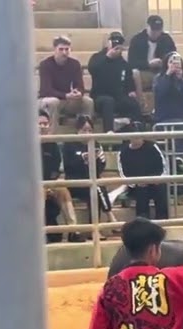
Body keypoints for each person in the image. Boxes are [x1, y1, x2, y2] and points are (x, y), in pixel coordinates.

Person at [63, 115, 115, 231]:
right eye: (84, 130)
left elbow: (101, 165)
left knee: (96, 190)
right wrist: (83, 159)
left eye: (90, 130)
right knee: (97, 187)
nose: (87, 133)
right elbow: (68, 166)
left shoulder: (95, 144)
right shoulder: (69, 144)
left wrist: (94, 160)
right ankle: (110, 216)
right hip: (75, 182)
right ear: (78, 130)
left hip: (92, 181)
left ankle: (95, 229)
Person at [89, 32, 143, 133]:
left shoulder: (123, 63)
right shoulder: (97, 57)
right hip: (99, 97)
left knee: (133, 104)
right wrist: (107, 57)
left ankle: (137, 128)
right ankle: (109, 132)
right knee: (108, 102)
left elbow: (128, 81)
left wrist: (131, 91)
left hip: (118, 97)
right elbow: (92, 69)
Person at [38, 36, 94, 131]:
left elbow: (80, 86)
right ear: (54, 49)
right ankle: (52, 135)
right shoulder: (45, 65)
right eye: (61, 49)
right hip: (47, 99)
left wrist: (78, 93)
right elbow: (46, 90)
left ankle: (85, 133)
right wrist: (66, 95)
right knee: (53, 102)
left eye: (67, 49)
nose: (64, 52)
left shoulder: (74, 64)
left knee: (88, 102)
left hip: (67, 100)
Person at [39, 110, 78, 243]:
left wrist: (52, 184)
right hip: (34, 186)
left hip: (50, 183)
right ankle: (38, 232)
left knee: (62, 189)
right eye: (40, 124)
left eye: (45, 123)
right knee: (40, 192)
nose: (43, 126)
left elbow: (57, 169)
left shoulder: (53, 144)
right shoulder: (26, 145)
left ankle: (74, 230)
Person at [118, 122, 170, 220]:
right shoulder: (123, 152)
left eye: (140, 136)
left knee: (162, 189)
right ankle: (142, 221)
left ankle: (163, 220)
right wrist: (135, 183)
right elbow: (123, 174)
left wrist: (157, 179)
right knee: (141, 192)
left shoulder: (153, 147)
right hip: (135, 186)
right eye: (134, 136)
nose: (137, 139)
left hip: (155, 181)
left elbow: (164, 166)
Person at [128, 14, 177, 110]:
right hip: (143, 72)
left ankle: (170, 108)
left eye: (158, 30)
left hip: (162, 71)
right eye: (153, 29)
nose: (155, 32)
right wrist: (148, 64)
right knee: (135, 73)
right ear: (147, 27)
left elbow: (173, 56)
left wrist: (163, 63)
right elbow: (131, 63)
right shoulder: (137, 40)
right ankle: (141, 105)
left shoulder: (166, 39)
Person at [153, 52, 183, 127]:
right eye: (171, 62)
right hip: (166, 118)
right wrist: (168, 74)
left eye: (178, 62)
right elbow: (160, 92)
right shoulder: (159, 78)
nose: (175, 65)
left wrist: (180, 79)